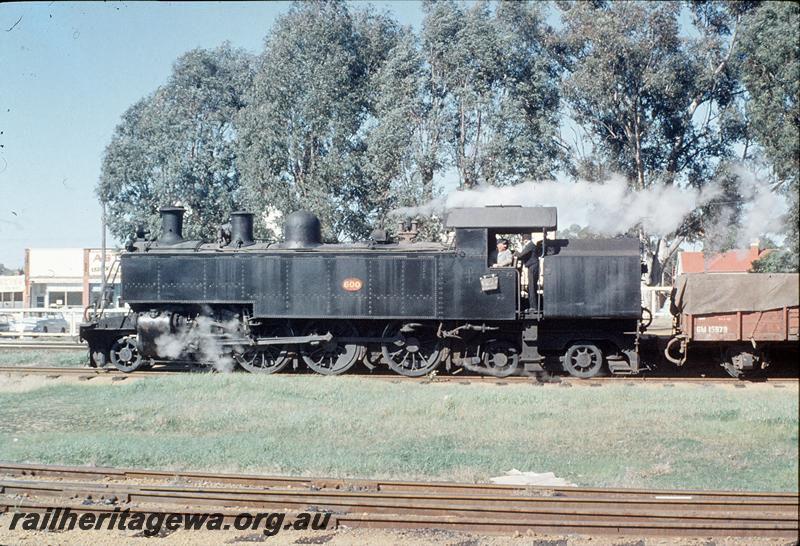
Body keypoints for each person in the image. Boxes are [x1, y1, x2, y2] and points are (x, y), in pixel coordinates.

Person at [515, 233, 540, 301]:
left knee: (532, 287)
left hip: (533, 267)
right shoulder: (530, 245)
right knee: (531, 286)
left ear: (525, 239)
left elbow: (521, 255)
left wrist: (515, 252)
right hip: (532, 266)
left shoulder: (530, 245)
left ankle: (533, 307)